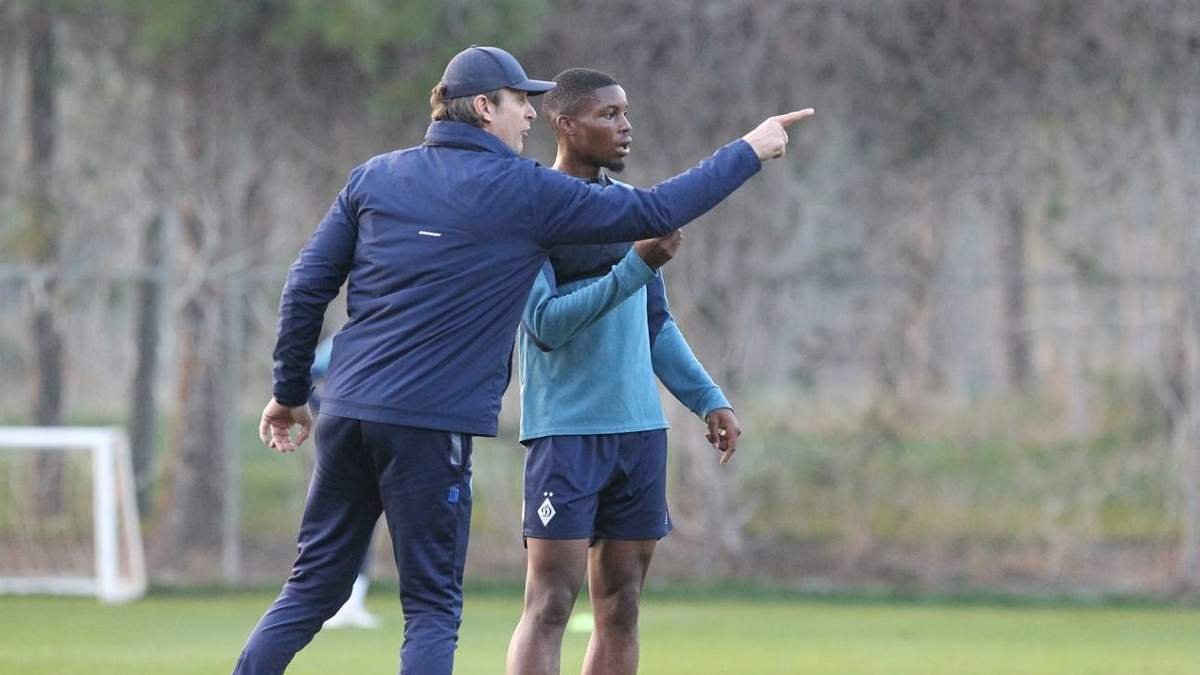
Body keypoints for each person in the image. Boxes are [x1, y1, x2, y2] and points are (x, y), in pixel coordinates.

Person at [235, 44, 811, 675]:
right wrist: (750, 149)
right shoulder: (523, 190)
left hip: (347, 410)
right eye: (519, 101)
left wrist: (289, 391)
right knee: (431, 609)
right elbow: (655, 214)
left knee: (311, 590)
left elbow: (306, 284)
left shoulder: (374, 176)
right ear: (485, 107)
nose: (530, 114)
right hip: (430, 424)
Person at [505, 68, 742, 675]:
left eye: (626, 112)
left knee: (622, 608)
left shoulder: (630, 209)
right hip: (565, 434)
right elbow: (545, 326)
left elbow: (655, 324)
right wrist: (634, 267)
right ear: (565, 125)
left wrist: (708, 398)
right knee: (550, 605)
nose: (625, 126)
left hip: (638, 435)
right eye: (608, 114)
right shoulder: (532, 212)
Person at [307, 337, 381, 630]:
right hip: (348, 439)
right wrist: (328, 409)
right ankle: (325, 600)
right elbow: (308, 372)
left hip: (388, 436)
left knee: (370, 525)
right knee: (338, 522)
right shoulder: (346, 338)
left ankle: (353, 602)